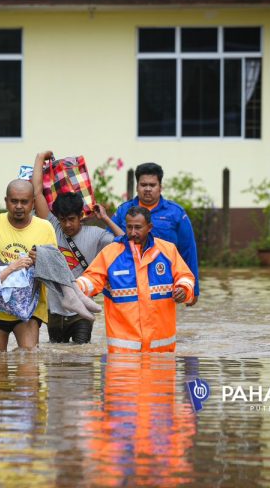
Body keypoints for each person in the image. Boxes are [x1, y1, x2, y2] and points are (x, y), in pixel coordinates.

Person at [32, 150, 124, 343]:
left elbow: (126, 242)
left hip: (82, 311)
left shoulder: (97, 235)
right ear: (57, 218)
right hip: (54, 310)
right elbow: (37, 192)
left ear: (81, 216)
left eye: (72, 219)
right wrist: (40, 158)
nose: (67, 225)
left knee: (82, 355)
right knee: (58, 361)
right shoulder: (52, 226)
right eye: (63, 220)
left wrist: (106, 218)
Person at [75, 206, 195, 353]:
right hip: (122, 354)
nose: (132, 232)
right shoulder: (110, 253)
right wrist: (74, 288)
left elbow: (186, 277)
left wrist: (184, 289)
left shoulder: (167, 251)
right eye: (129, 227)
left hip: (162, 353)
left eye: (138, 227)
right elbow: (91, 279)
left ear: (149, 227)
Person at [0, 179, 58, 352]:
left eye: (24, 201)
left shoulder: (45, 228)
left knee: (29, 368)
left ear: (33, 203)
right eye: (14, 201)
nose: (19, 206)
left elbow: (55, 267)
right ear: (6, 201)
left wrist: (41, 260)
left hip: (29, 308)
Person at [109, 162, 200, 306]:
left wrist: (193, 290)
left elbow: (188, 250)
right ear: (137, 186)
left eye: (152, 185)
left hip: (164, 281)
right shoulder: (123, 211)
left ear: (160, 187)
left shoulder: (175, 213)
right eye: (143, 185)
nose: (147, 189)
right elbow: (107, 245)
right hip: (128, 282)